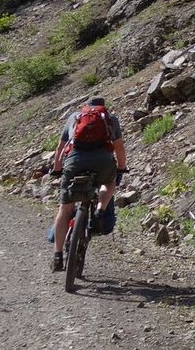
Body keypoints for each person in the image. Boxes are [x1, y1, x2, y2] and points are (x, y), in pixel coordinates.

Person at [46, 96, 127, 271]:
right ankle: (100, 210)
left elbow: (60, 148)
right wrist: (121, 169)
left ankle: (57, 256)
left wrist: (57, 169)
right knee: (109, 182)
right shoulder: (110, 118)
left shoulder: (74, 117)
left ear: (86, 106)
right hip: (102, 161)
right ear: (103, 107)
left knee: (65, 209)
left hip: (75, 161)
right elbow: (119, 148)